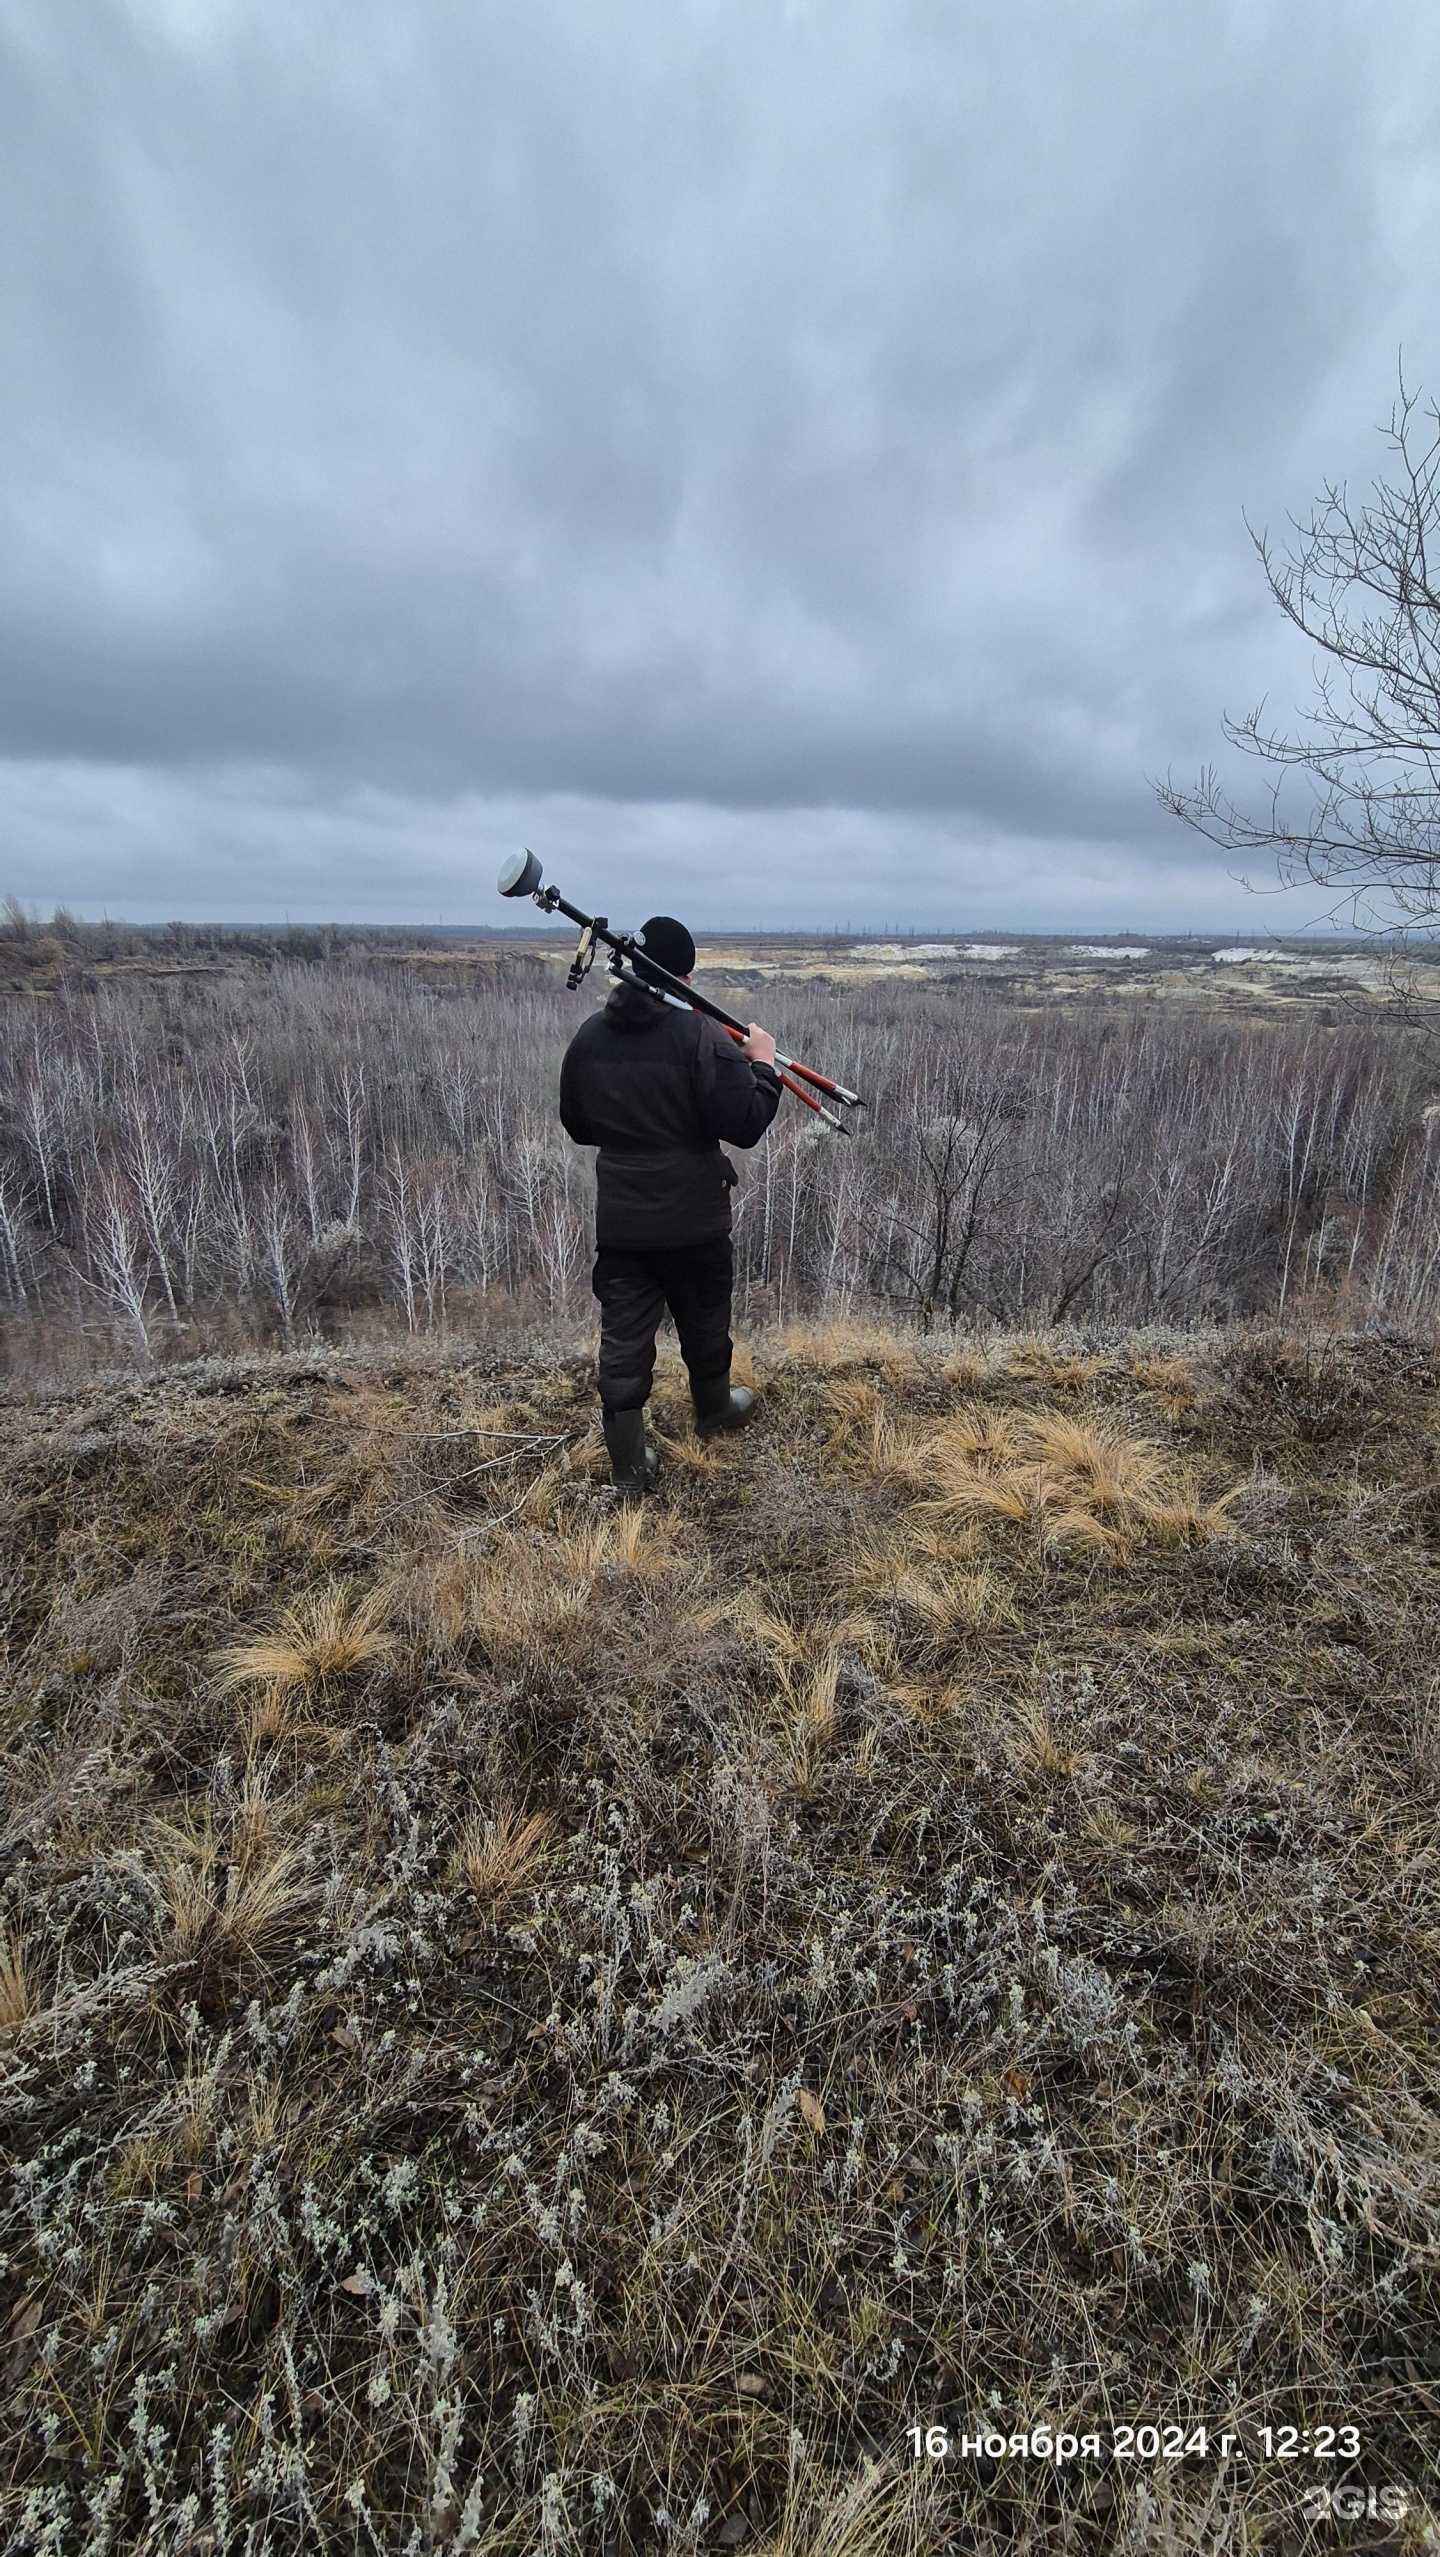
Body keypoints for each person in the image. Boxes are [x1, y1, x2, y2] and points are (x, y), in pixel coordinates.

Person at [559, 914, 783, 1494]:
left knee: (625, 1335)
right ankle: (714, 1408)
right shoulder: (704, 1037)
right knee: (705, 1315)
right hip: (694, 1220)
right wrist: (762, 1063)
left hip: (625, 1224)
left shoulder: (589, 1037)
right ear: (682, 974)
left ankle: (629, 1463)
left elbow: (578, 1125)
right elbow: (747, 1121)